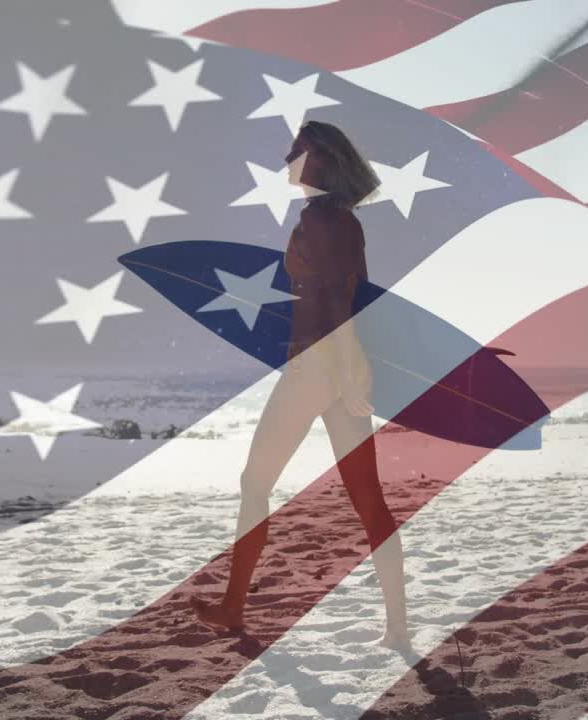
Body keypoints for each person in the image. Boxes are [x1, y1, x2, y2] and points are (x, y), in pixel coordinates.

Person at [190, 120, 410, 651]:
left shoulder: (317, 217)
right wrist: (356, 370)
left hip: (315, 365)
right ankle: (398, 626)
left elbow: (337, 299)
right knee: (368, 500)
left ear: (318, 159)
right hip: (338, 367)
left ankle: (234, 607)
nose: (288, 158)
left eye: (297, 151)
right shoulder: (346, 220)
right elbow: (354, 297)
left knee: (255, 483)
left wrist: (343, 366)